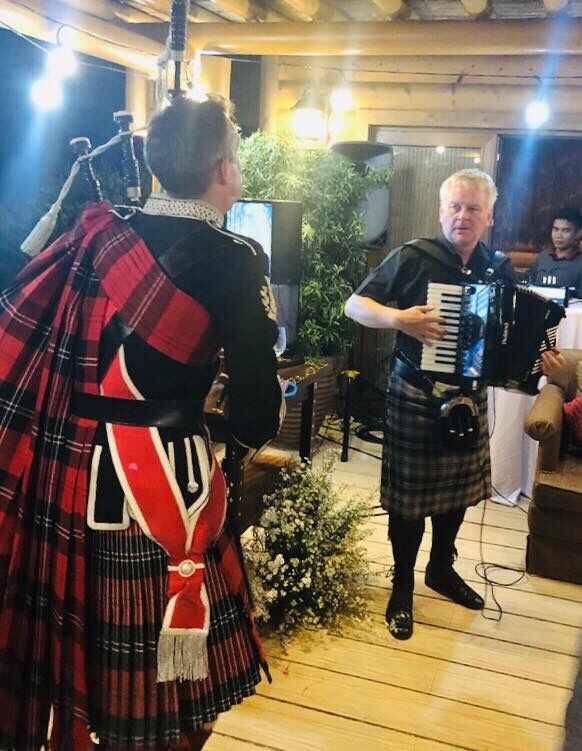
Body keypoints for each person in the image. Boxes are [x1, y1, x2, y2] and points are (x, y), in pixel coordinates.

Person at [0, 96, 284, 751]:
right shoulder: (238, 259)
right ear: (222, 170)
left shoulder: (100, 230)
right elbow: (256, 416)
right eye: (237, 160)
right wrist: (230, 432)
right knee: (181, 680)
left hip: (69, 484)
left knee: (86, 661)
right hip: (168, 497)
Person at [345, 169, 517, 640]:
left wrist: (527, 351)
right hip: (416, 392)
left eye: (473, 208)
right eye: (455, 207)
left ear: (489, 216)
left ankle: (441, 568)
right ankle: (401, 585)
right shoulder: (413, 257)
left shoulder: (497, 267)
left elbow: (508, 330)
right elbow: (354, 306)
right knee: (408, 504)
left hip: (468, 397)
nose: (463, 216)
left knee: (457, 495)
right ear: (441, 211)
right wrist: (399, 318)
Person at [529, 207, 582, 296]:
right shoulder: (543, 257)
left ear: (578, 233)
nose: (558, 235)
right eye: (555, 229)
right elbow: (527, 282)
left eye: (566, 231)